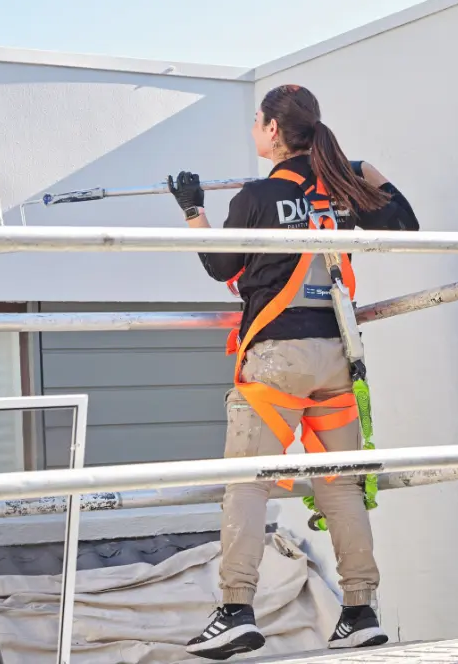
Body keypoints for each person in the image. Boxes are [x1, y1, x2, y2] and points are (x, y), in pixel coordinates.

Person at [168, 84, 419, 660]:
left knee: (247, 482)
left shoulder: (258, 197)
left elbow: (220, 266)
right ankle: (360, 611)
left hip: (277, 362)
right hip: (336, 354)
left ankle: (236, 610)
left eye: (258, 121)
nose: (254, 128)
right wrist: (364, 172)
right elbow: (405, 226)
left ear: (274, 130)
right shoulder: (345, 191)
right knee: (340, 484)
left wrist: (193, 211)